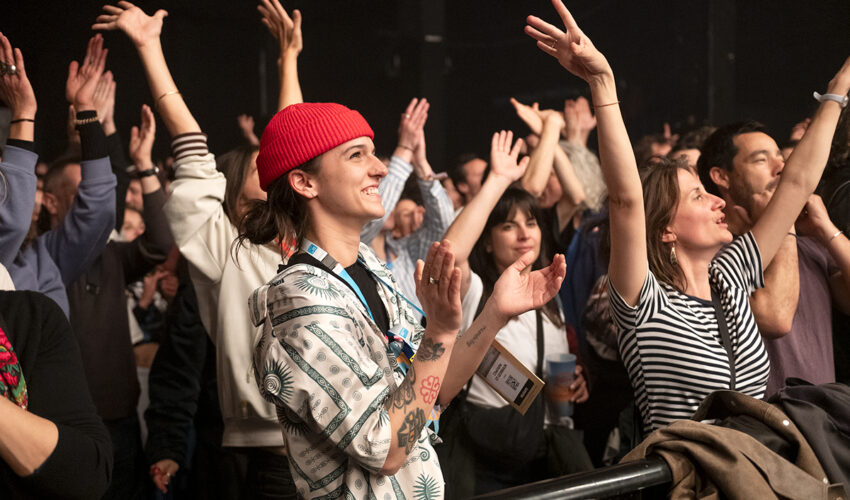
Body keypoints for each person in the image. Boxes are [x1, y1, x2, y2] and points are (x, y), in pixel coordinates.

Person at [525, 0, 850, 432]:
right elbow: (625, 200)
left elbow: (796, 183)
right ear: (665, 230)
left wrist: (837, 89)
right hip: (690, 472)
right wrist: (602, 83)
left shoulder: (731, 278)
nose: (718, 202)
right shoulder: (645, 302)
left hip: (753, 468)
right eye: (698, 196)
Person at [237, 103, 566, 499]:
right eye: (356, 155)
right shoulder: (299, 298)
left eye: (373, 152)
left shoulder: (368, 265)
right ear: (305, 182)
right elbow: (386, 449)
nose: (380, 168)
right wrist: (439, 331)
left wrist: (495, 313)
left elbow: (432, 391)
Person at [94, 1, 304, 496]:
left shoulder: (304, 243)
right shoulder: (224, 249)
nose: (275, 166)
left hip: (338, 450)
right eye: (261, 165)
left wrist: (289, 60)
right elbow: (189, 141)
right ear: (228, 191)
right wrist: (150, 47)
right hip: (272, 458)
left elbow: (295, 143)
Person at [442, 130, 590, 493]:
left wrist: (576, 381)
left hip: (544, 450)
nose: (524, 234)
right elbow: (452, 254)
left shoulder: (549, 294)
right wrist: (497, 179)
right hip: (489, 452)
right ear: (487, 242)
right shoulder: (476, 291)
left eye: (531, 223)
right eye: (508, 226)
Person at [698, 121, 850, 396]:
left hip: (824, 417)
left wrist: (825, 227)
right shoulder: (712, 254)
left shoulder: (809, 245)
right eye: (761, 159)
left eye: (780, 157)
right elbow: (775, 318)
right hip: (764, 419)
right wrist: (785, 221)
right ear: (721, 176)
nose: (781, 167)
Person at [1, 34, 116, 318]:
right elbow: (11, 222)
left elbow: (99, 207)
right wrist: (23, 114)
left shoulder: (44, 257)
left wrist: (85, 109)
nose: (25, 193)